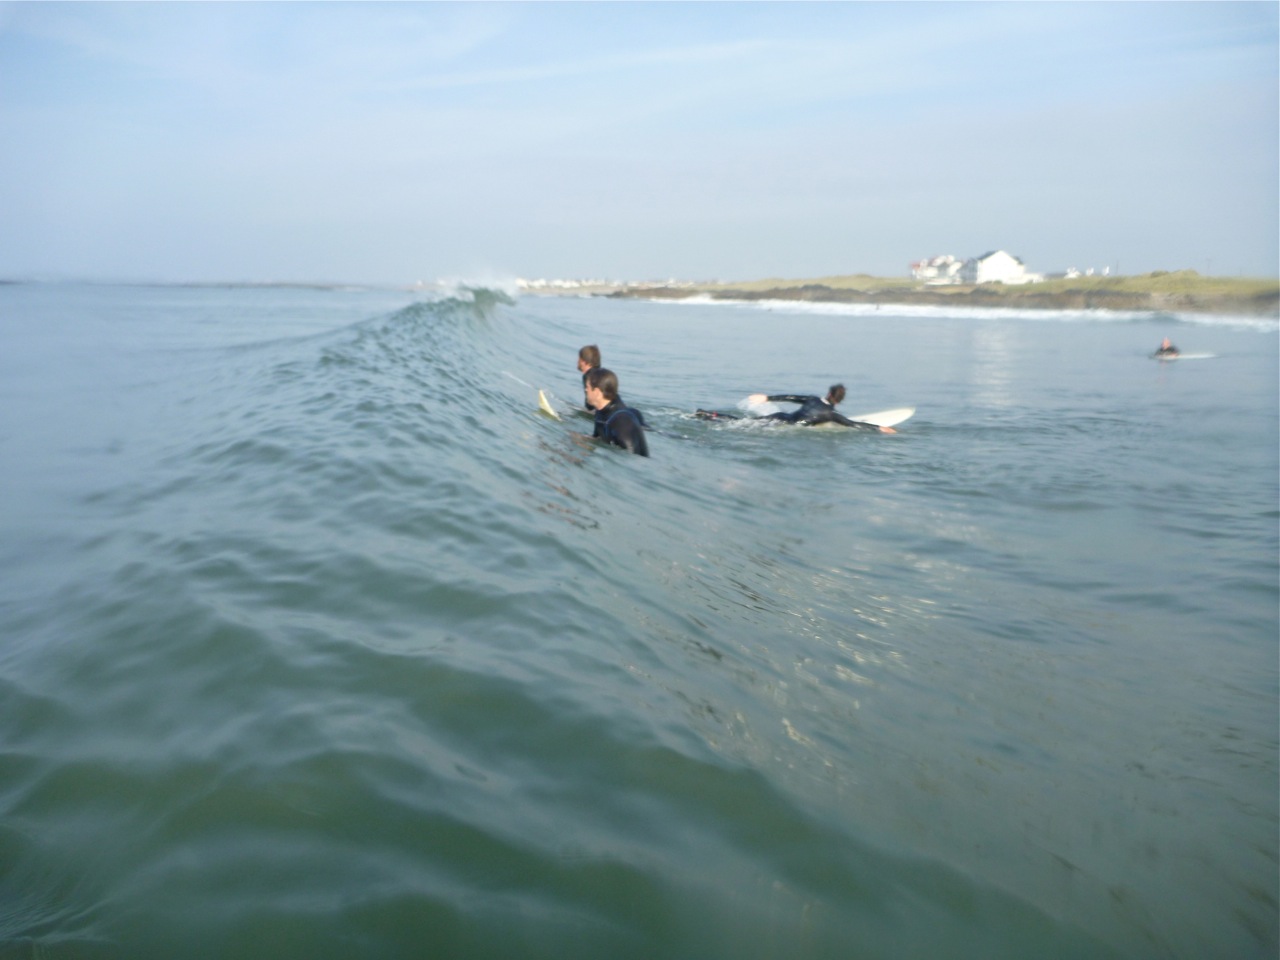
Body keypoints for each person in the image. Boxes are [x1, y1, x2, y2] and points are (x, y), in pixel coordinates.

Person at [698, 384, 892, 432]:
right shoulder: (831, 415)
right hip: (785, 427)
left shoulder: (812, 399)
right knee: (743, 428)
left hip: (780, 416)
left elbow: (790, 397)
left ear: (829, 393)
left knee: (740, 422)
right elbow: (853, 424)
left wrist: (766, 398)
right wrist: (879, 428)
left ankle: (707, 414)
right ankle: (709, 417)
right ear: (838, 400)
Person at [584, 367, 649, 456]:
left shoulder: (622, 421)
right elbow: (597, 438)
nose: (585, 390)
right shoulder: (600, 412)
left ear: (597, 392)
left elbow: (633, 459)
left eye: (587, 387)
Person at [577, 345, 601, 411]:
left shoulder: (588, 376)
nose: (577, 361)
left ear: (584, 362)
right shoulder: (602, 373)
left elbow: (591, 405)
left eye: (579, 358)